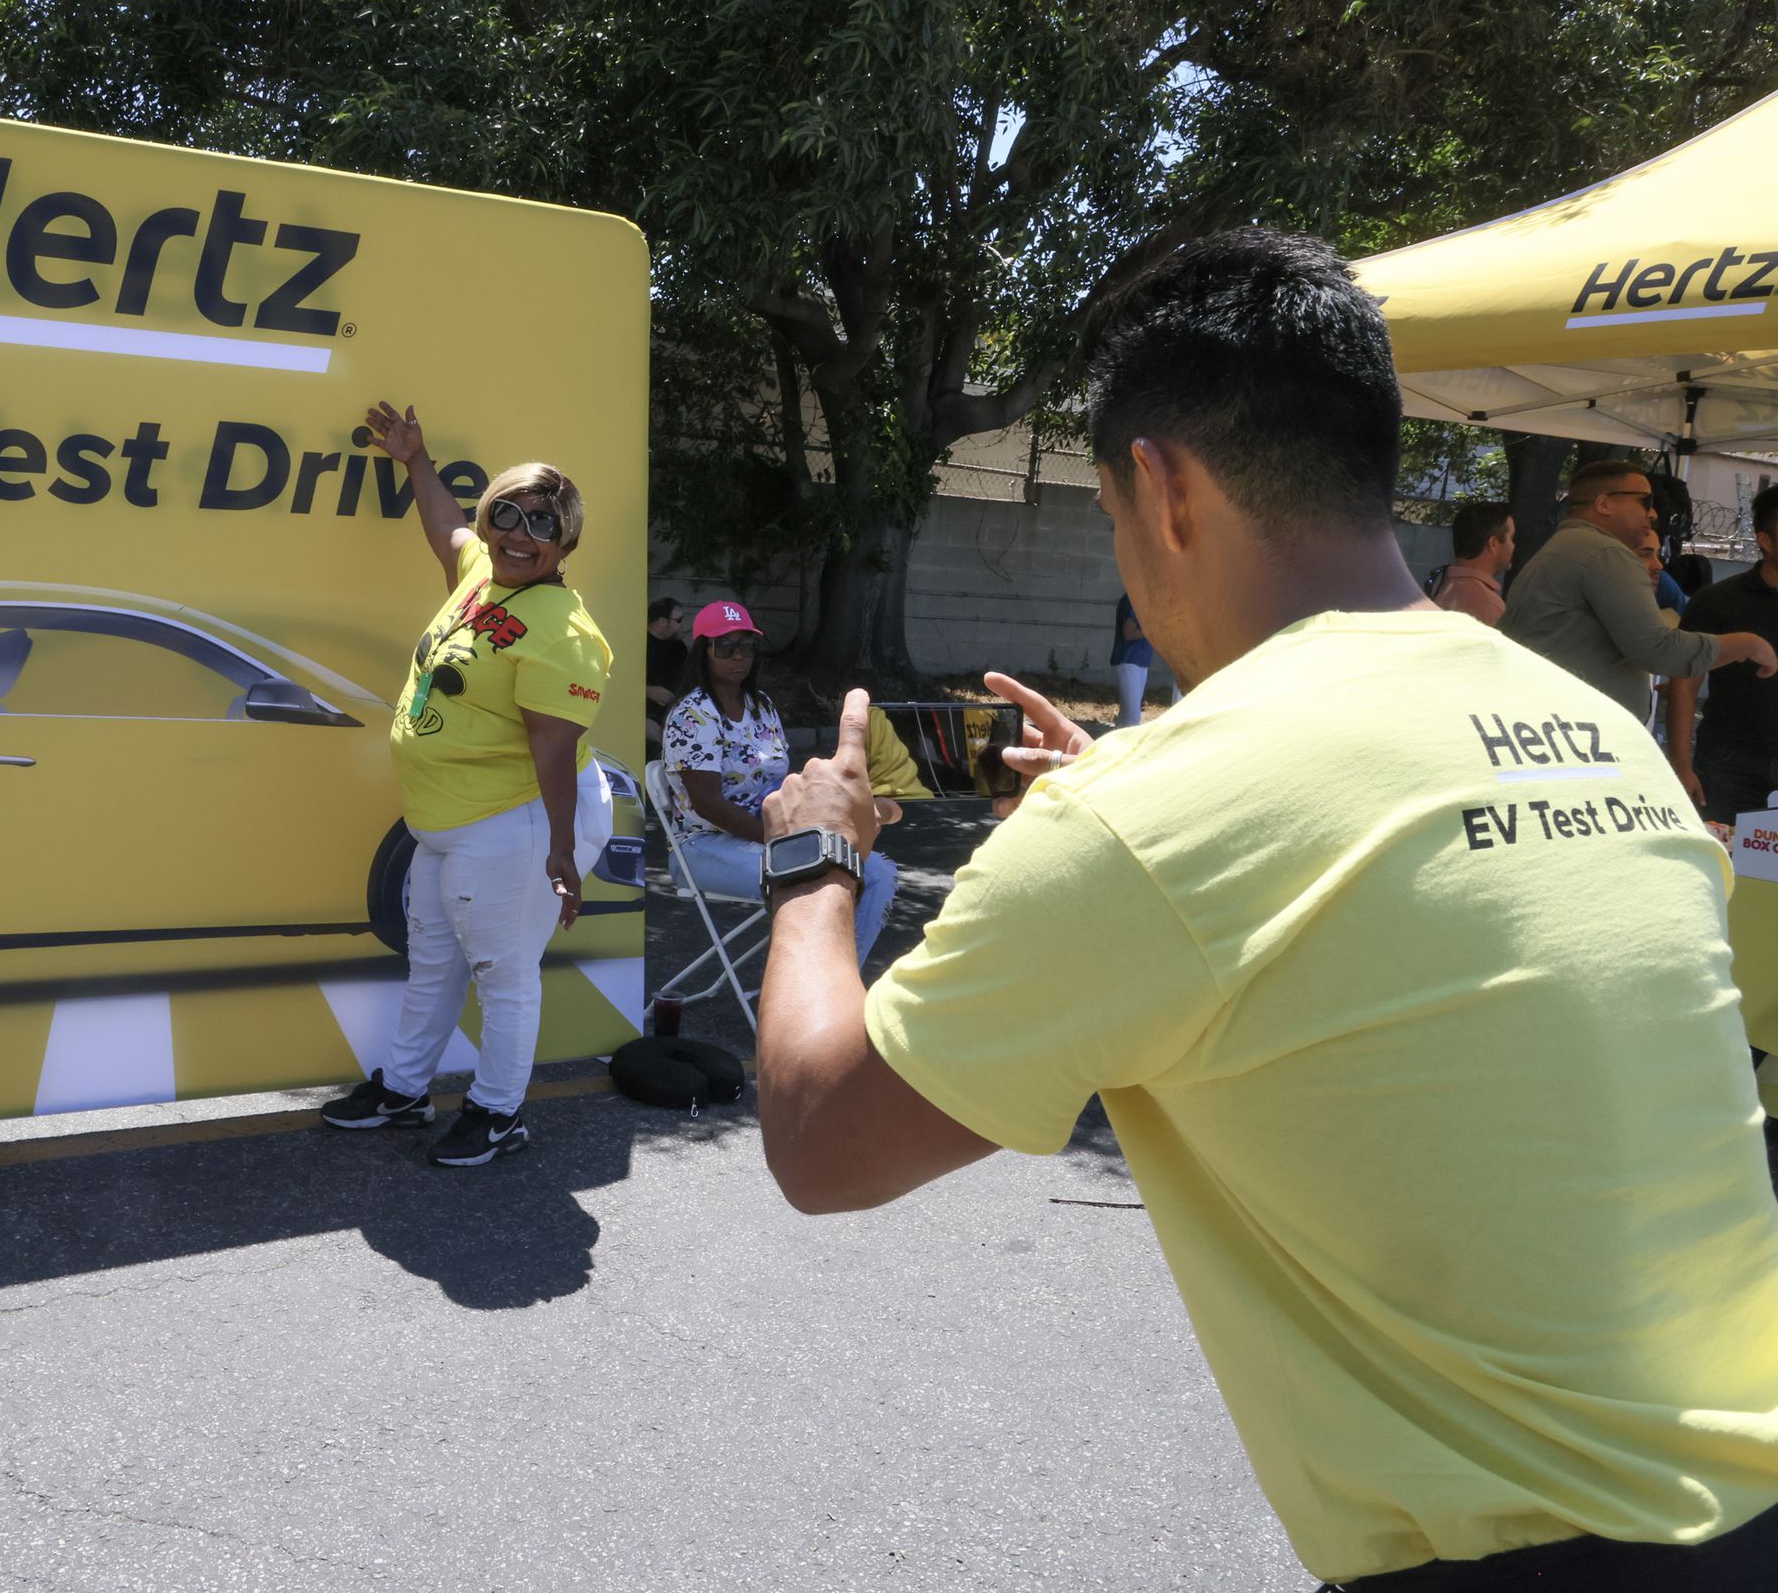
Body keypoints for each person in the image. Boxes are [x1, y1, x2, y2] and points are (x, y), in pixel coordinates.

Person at [748, 230, 1778, 1590]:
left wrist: (814, 862)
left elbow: (821, 1138)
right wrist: (1137, 802)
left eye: (1114, 519)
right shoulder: (1596, 732)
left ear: (1163, 489)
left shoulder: (1153, 820)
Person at [318, 399, 613, 1167]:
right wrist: (416, 459)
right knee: (435, 965)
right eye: (507, 513)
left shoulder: (564, 633)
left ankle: (497, 1112)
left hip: (518, 822)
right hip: (448, 823)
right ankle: (406, 1090)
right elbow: (446, 528)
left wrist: (560, 852)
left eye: (542, 524)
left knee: (503, 978)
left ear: (566, 541)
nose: (519, 533)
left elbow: (554, 749)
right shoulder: (483, 571)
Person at [659, 601, 898, 967]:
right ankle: (813, 987)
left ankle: (844, 981)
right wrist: (780, 838)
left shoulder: (761, 705)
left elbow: (781, 783)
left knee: (877, 872)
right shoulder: (692, 713)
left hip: (768, 837)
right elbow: (707, 803)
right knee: (819, 875)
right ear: (703, 651)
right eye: (725, 646)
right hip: (702, 846)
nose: (738, 655)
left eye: (748, 645)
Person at [1500, 460, 1773, 720]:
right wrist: (1745, 644)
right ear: (1604, 504)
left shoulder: (1566, 546)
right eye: (1645, 502)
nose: (1652, 514)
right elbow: (1657, 649)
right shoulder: (1605, 552)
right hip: (1577, 727)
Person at [1672, 485, 1778, 823]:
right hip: (1729, 761)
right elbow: (1684, 683)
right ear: (1765, 540)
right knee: (1723, 852)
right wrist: (1681, 765)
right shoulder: (1717, 601)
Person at [1431, 500, 1513, 626]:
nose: (1513, 546)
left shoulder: (1439, 584)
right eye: (1511, 538)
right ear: (1493, 543)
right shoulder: (1488, 605)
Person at [643, 596, 687, 757]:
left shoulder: (679, 648)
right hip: (644, 718)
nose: (682, 625)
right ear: (662, 621)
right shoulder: (639, 643)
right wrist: (648, 691)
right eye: (678, 620)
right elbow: (621, 679)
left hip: (673, 717)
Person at [1110, 593, 1154, 726]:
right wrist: (1153, 633)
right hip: (1129, 660)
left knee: (1127, 716)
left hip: (1140, 661)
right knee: (1132, 717)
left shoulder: (1143, 599)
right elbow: (1128, 633)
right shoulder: (1134, 599)